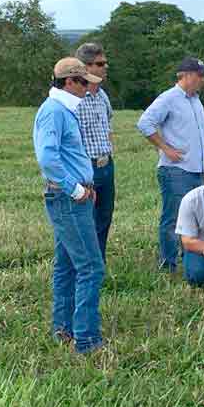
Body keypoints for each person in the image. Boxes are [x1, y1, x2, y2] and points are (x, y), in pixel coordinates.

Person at [33, 57, 105, 354]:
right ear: (69, 82)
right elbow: (47, 158)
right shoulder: (54, 112)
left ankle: (63, 328)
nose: (89, 88)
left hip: (74, 196)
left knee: (66, 265)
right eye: (85, 82)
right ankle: (87, 340)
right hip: (67, 198)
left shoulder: (63, 109)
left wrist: (85, 186)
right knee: (91, 267)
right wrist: (75, 189)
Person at [137, 56, 204, 273]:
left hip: (198, 169)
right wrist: (165, 148)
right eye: (200, 75)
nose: (203, 80)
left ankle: (189, 259)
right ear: (186, 76)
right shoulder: (168, 98)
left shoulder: (195, 99)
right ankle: (168, 264)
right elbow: (144, 123)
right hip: (175, 171)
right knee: (173, 218)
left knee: (194, 218)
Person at [74, 42, 116, 261]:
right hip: (85, 166)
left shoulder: (102, 95)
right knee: (84, 219)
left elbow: (108, 123)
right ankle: (85, 263)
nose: (105, 67)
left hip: (105, 164)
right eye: (100, 64)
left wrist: (109, 152)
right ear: (85, 67)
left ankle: (98, 262)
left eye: (105, 63)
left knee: (103, 217)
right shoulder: (74, 100)